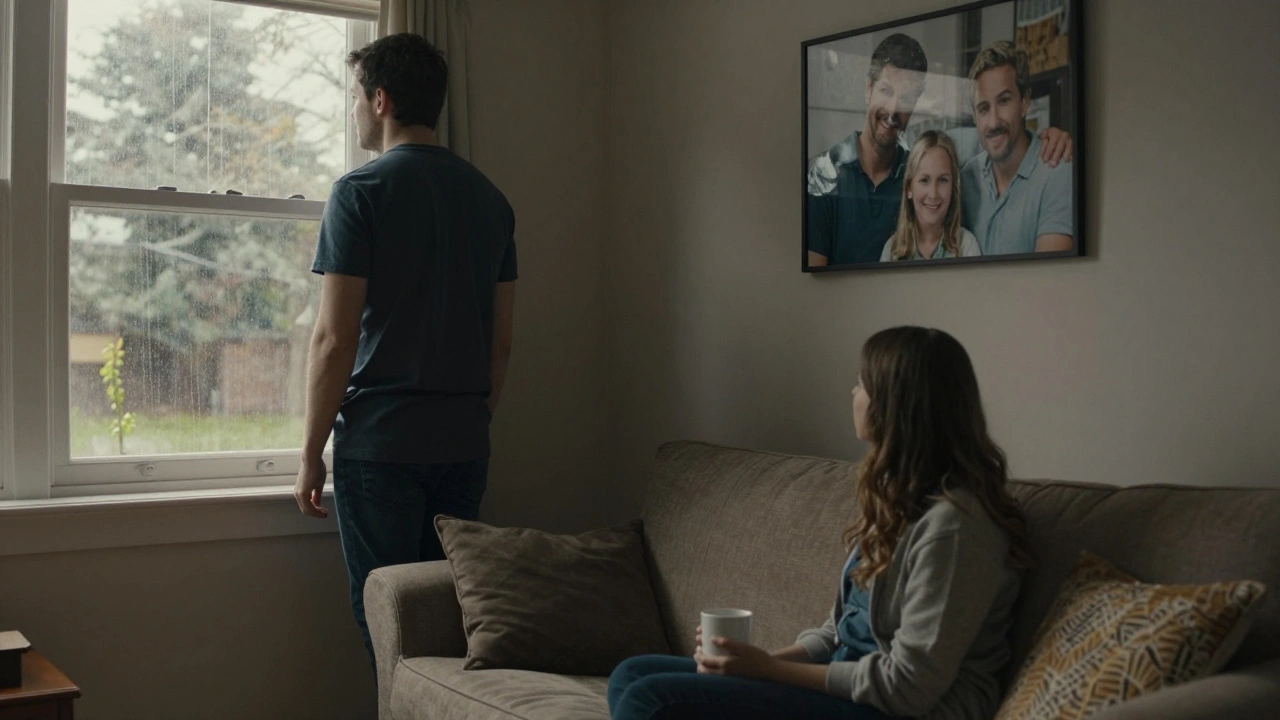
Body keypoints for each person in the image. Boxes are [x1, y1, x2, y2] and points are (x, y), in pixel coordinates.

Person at [608, 327, 1032, 720]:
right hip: (849, 689)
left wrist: (770, 671)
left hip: (905, 711)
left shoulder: (956, 529)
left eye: (862, 383)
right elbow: (837, 634)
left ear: (893, 405)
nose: (853, 392)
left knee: (652, 698)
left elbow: (909, 687)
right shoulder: (897, 500)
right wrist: (748, 661)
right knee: (632, 674)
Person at [292, 33, 517, 665]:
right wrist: (470, 420)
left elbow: (334, 339)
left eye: (356, 98)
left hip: (384, 447)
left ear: (381, 99)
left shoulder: (360, 192)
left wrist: (311, 453)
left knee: (390, 623)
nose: (354, 111)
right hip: (463, 443)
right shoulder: (491, 201)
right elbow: (500, 341)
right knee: (451, 620)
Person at [807, 36, 1072, 268]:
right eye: (886, 91)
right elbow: (812, 282)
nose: (893, 108)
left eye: (907, 99)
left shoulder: (922, 167)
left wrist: (1053, 134)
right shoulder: (823, 174)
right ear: (868, 89)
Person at [960, 41, 1074, 255]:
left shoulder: (1057, 173)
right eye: (983, 109)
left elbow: (1051, 279)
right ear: (974, 116)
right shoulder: (967, 178)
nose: (993, 122)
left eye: (1004, 101)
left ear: (1025, 101)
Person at [881, 131, 980, 261]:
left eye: (942, 180)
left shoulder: (966, 245)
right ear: (909, 188)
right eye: (924, 180)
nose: (933, 194)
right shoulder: (892, 249)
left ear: (953, 188)